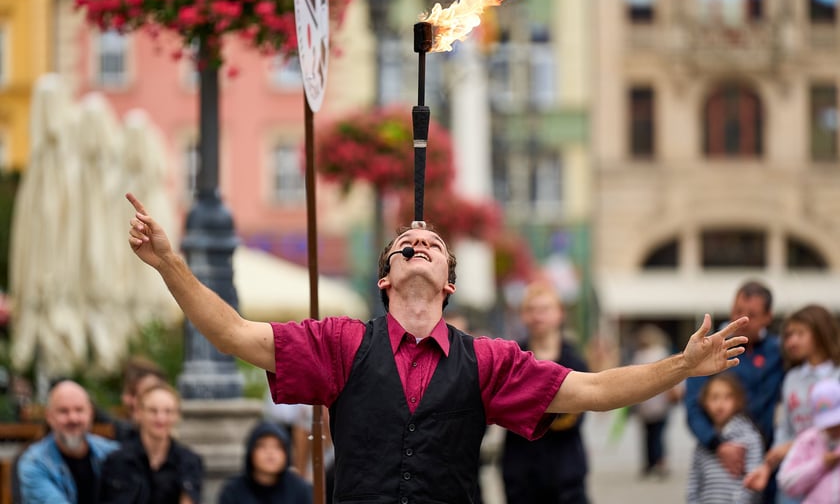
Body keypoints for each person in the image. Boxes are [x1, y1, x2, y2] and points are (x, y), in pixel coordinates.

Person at [126, 192, 749, 503]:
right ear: (385, 276)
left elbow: (592, 390)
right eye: (405, 240)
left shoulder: (490, 360)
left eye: (431, 241)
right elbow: (235, 334)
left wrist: (684, 366)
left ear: (449, 280)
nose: (418, 240)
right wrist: (170, 265)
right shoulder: (340, 343)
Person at [684, 281, 784, 483]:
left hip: (768, 460)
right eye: (737, 311)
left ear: (768, 317)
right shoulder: (708, 350)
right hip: (719, 457)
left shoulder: (779, 352)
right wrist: (717, 444)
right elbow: (693, 405)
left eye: (752, 315)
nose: (742, 320)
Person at [501, 281, 590, 503]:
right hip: (520, 474)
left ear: (560, 313)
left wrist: (527, 409)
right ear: (522, 315)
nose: (537, 316)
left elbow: (572, 418)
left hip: (567, 474)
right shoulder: (510, 360)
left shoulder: (576, 363)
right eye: (531, 309)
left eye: (544, 309)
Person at [744, 304, 840, 502]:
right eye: (788, 335)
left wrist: (792, 446)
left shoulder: (836, 375)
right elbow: (785, 429)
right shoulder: (791, 379)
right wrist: (769, 465)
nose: (792, 341)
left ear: (821, 332)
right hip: (798, 473)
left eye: (800, 333)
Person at [98, 382, 203, 504]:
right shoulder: (116, 461)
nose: (161, 418)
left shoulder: (189, 462)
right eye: (153, 411)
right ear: (139, 413)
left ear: (177, 415)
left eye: (168, 411)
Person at [17, 380, 119, 503]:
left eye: (79, 410)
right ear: (49, 417)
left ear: (91, 413)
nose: (73, 418)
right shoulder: (34, 463)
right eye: (63, 411)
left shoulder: (112, 453)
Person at [686, 373, 764, 504]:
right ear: (704, 402)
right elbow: (694, 484)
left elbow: (753, 481)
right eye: (714, 398)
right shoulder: (704, 442)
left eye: (727, 397)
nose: (720, 404)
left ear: (738, 400)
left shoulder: (750, 438)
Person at [777, 378, 840, 503]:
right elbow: (786, 482)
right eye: (828, 423)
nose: (832, 427)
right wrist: (821, 464)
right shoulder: (809, 440)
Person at [631, 324, 682, 479]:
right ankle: (660, 462)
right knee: (659, 435)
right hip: (660, 403)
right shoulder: (662, 353)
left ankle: (649, 463)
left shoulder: (639, 355)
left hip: (645, 403)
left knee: (647, 436)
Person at [218, 421, 313, 504]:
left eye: (277, 447)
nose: (270, 452)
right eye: (262, 446)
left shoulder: (301, 491)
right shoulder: (233, 492)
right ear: (251, 451)